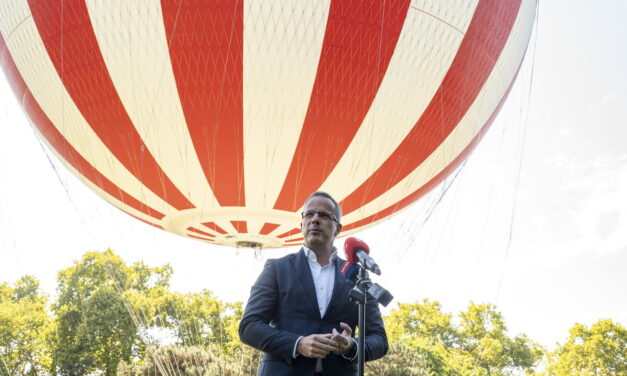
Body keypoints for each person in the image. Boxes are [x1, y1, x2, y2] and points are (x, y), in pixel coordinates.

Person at [239, 191, 388, 376]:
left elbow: (379, 340)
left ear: (338, 228)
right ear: (302, 224)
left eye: (324, 215)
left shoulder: (357, 276)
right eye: (309, 214)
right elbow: (249, 327)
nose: (315, 219)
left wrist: (351, 346)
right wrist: (297, 343)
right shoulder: (277, 269)